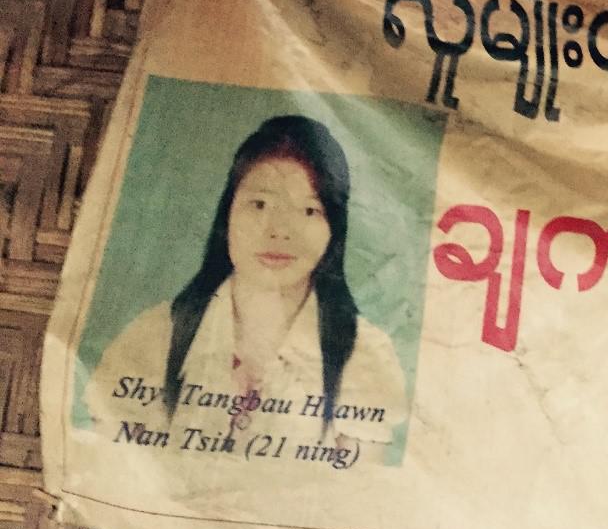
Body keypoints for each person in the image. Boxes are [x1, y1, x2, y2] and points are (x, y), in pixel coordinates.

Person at [86, 115, 407, 448]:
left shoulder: (364, 355)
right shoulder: (153, 337)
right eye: (260, 204)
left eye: (309, 210)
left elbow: (354, 490)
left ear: (334, 230)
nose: (279, 230)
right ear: (228, 215)